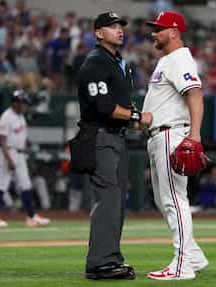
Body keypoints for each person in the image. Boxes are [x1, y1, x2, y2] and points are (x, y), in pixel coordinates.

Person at [77, 12, 152, 280]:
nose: (119, 29)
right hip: (100, 136)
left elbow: (117, 101)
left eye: (120, 25)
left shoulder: (118, 61)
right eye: (112, 26)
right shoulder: (96, 62)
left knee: (117, 201)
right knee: (108, 198)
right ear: (98, 33)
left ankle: (111, 258)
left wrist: (130, 113)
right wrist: (135, 116)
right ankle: (100, 263)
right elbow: (103, 106)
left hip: (116, 137)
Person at [142, 11, 209, 280]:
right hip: (159, 134)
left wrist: (195, 136)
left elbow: (195, 94)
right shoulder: (167, 60)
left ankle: (182, 265)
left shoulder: (180, 58)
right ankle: (193, 255)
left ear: (173, 31)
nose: (153, 33)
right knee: (163, 200)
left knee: (174, 199)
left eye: (158, 28)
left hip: (172, 134)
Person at [0, 90, 50, 228]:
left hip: (20, 154)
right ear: (15, 103)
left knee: (26, 185)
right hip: (8, 152)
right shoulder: (6, 117)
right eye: (23, 102)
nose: (25, 105)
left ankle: (31, 217)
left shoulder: (20, 116)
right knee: (2, 185)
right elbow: (2, 140)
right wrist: (9, 159)